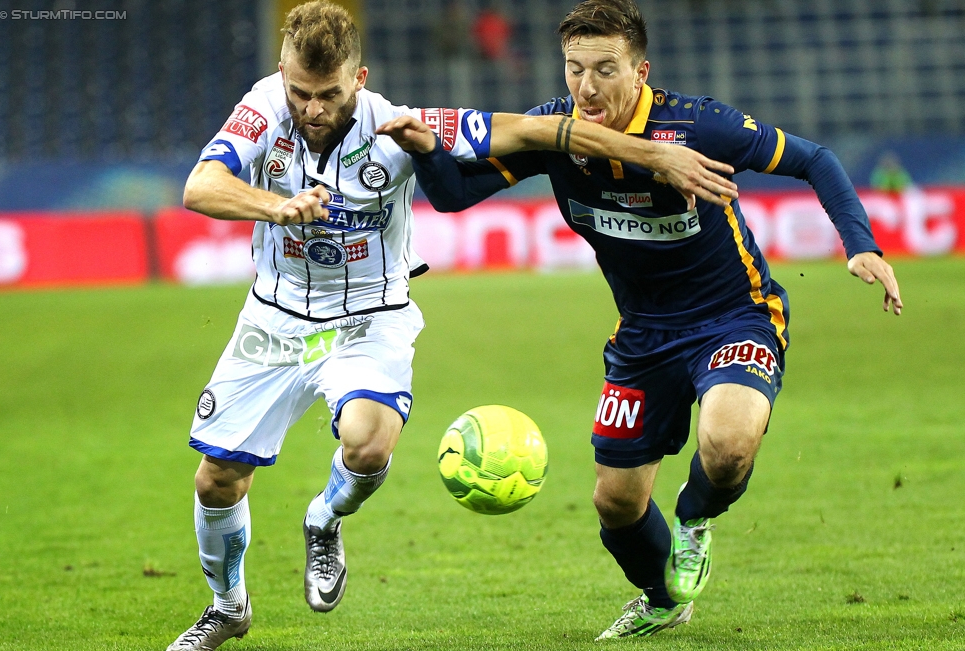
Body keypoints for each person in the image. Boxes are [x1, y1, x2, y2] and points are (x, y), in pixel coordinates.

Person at [166, 2, 740, 649]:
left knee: (367, 442)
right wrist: (277, 206)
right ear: (281, 74)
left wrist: (653, 158)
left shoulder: (398, 126)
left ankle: (324, 519)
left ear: (359, 80)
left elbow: (536, 132)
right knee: (217, 477)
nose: (314, 108)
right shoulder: (262, 109)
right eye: (301, 92)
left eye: (329, 94)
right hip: (273, 316)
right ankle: (227, 607)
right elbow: (200, 186)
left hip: (368, 318)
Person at [378, 0, 903, 640]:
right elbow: (453, 195)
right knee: (615, 502)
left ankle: (694, 520)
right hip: (643, 336)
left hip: (733, 316)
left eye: (605, 69)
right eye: (574, 70)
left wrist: (861, 244)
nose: (587, 87)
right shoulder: (554, 131)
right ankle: (662, 597)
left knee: (729, 445)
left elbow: (814, 159)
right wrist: (428, 147)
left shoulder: (697, 124)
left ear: (640, 70)